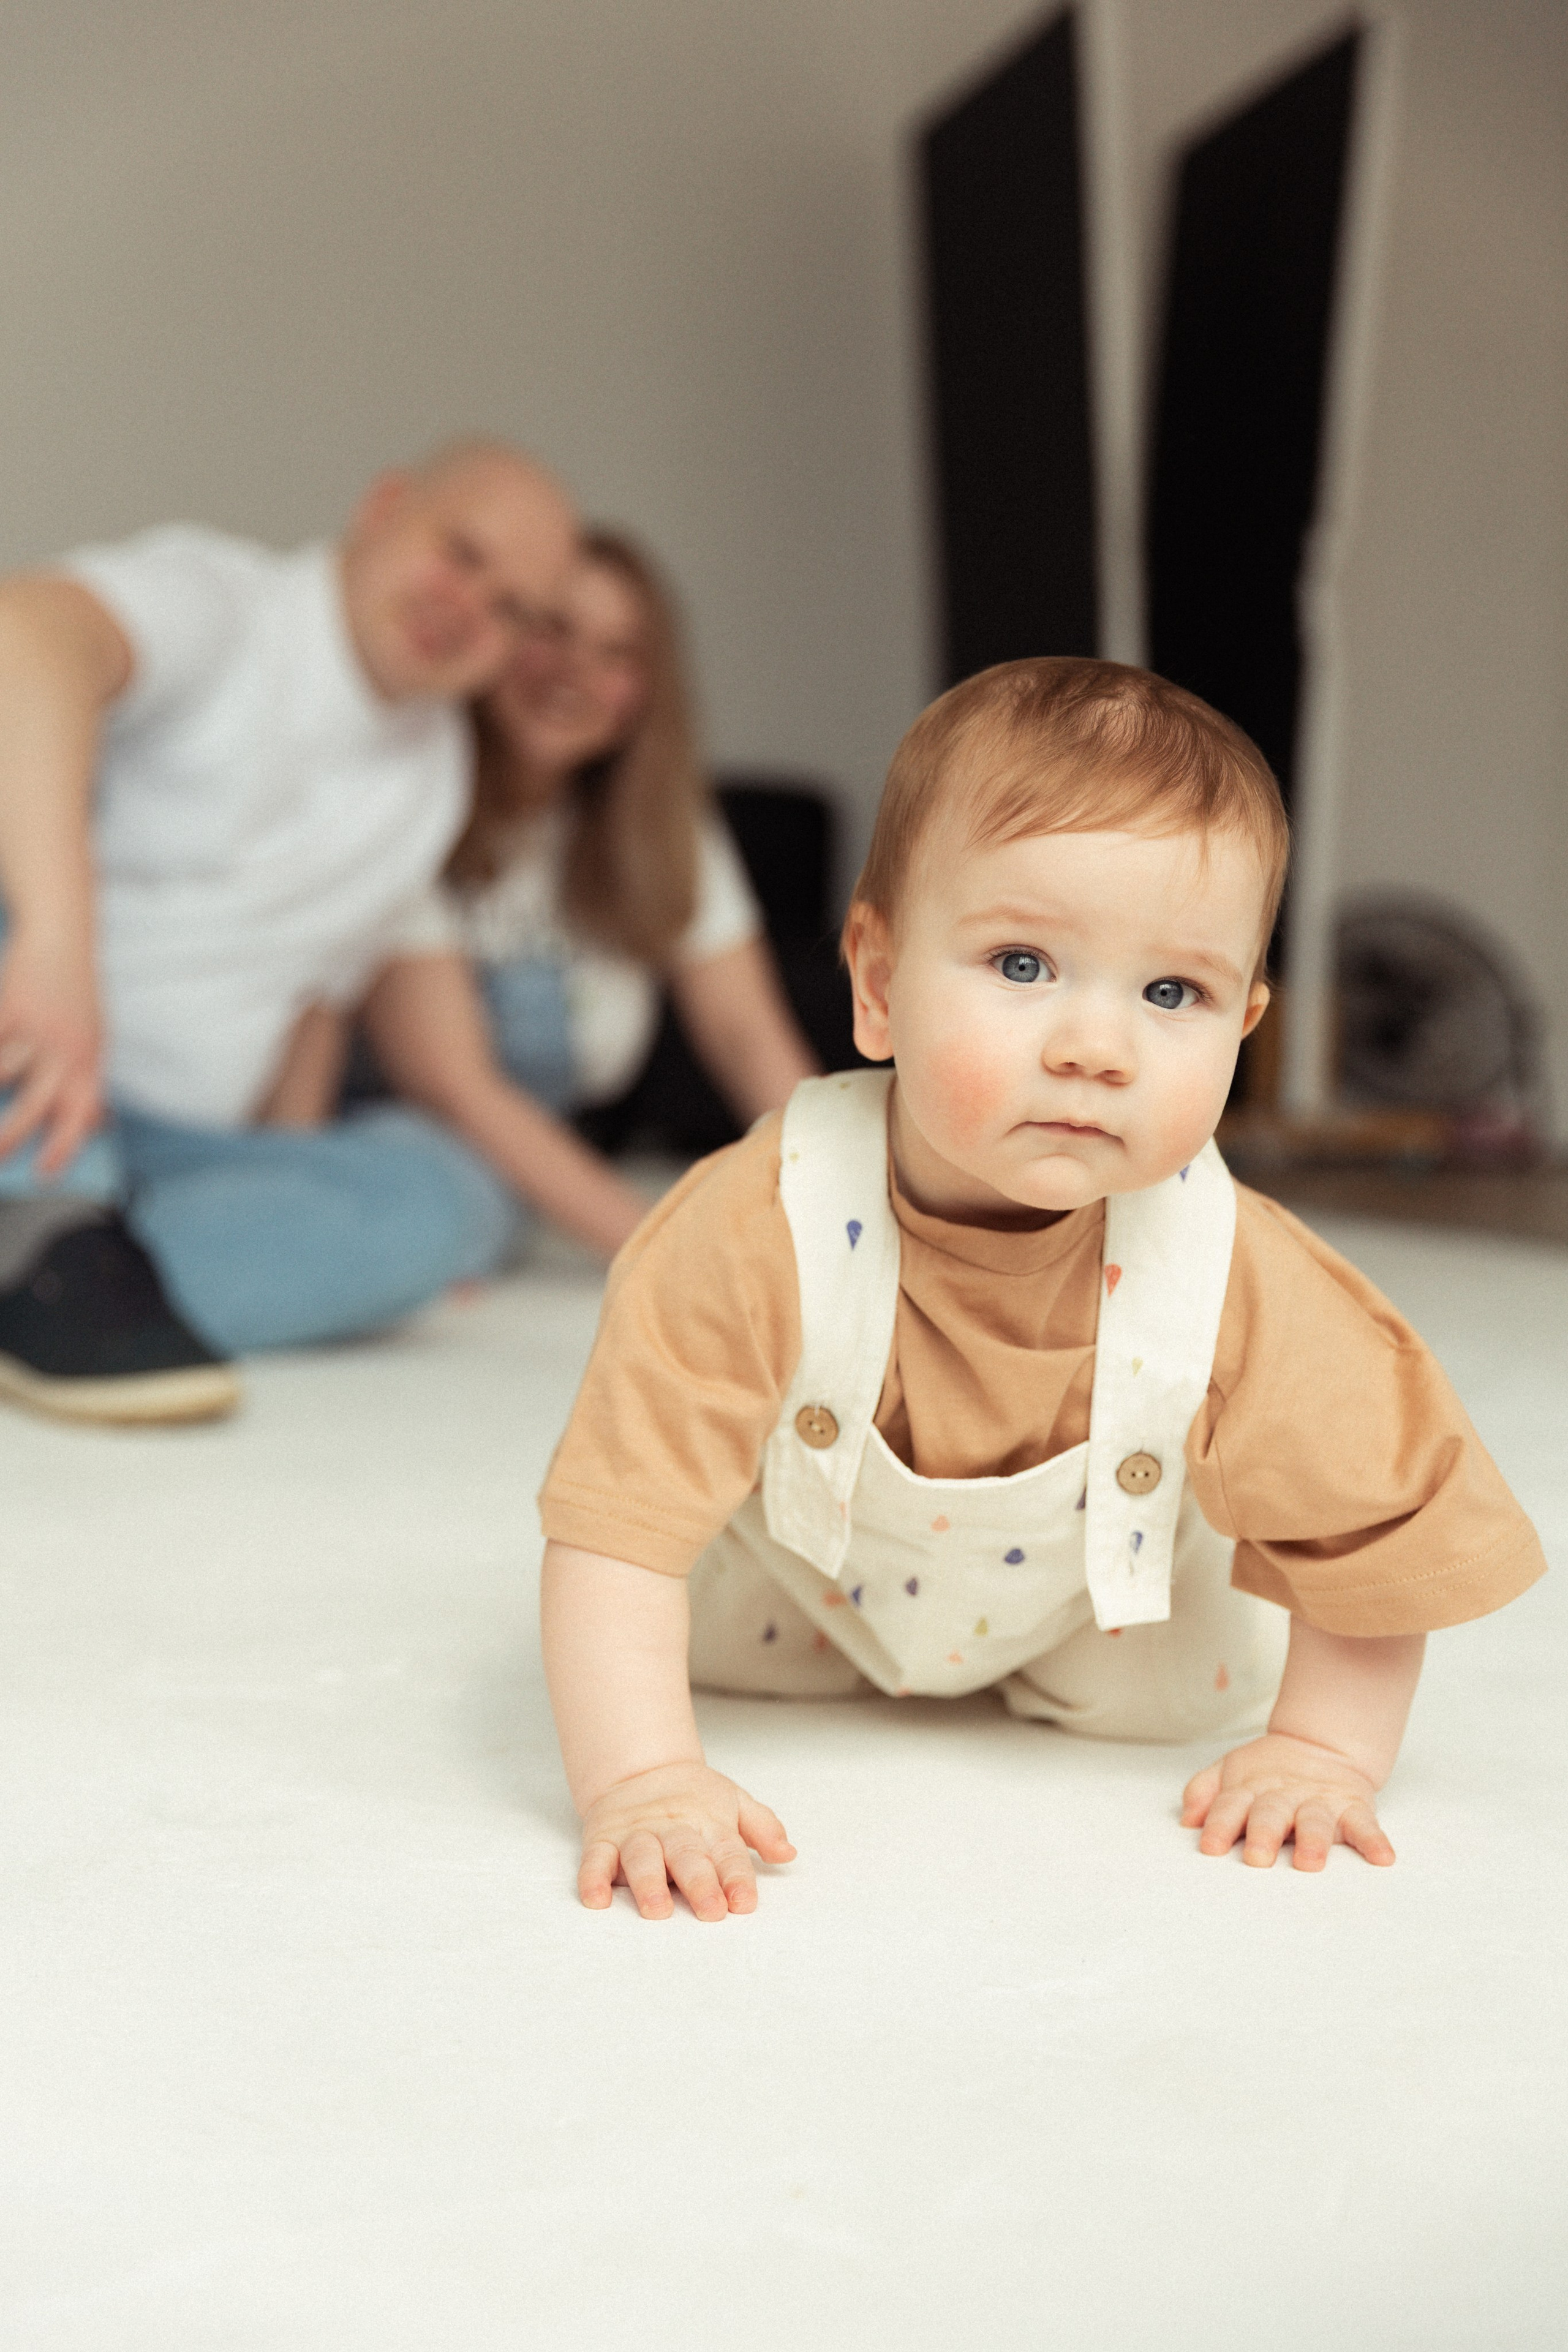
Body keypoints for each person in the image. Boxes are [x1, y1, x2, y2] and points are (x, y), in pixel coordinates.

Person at [536, 657, 1547, 1919]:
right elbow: (616, 1520)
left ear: (1244, 1027)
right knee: (677, 1626)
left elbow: (1368, 1526)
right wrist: (640, 1776)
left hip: (1104, 1617)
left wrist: (1321, 1752)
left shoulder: (1239, 1265)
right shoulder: (753, 1223)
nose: (1093, 1048)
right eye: (1020, 964)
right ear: (877, 982)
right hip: (793, 1597)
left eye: (1171, 992)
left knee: (1191, 1679)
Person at [0, 440, 579, 1425]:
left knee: (446, 1201)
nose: (470, 607)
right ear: (384, 504)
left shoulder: (435, 775)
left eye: (514, 608)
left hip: (167, 1149)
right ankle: (53, 1232)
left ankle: (73, 1263)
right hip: (36, 1059)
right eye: (461, 554)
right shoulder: (229, 605)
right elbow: (27, 631)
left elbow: (311, 1002)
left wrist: (286, 1188)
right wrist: (55, 947)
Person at [344, 530, 820, 1234]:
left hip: (535, 1185)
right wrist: (660, 1257)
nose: (575, 672)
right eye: (551, 630)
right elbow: (455, 1088)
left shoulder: (666, 828)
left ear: (648, 690)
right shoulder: (408, 805)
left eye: (617, 653)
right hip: (383, 1161)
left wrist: (852, 1209)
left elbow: (746, 1035)